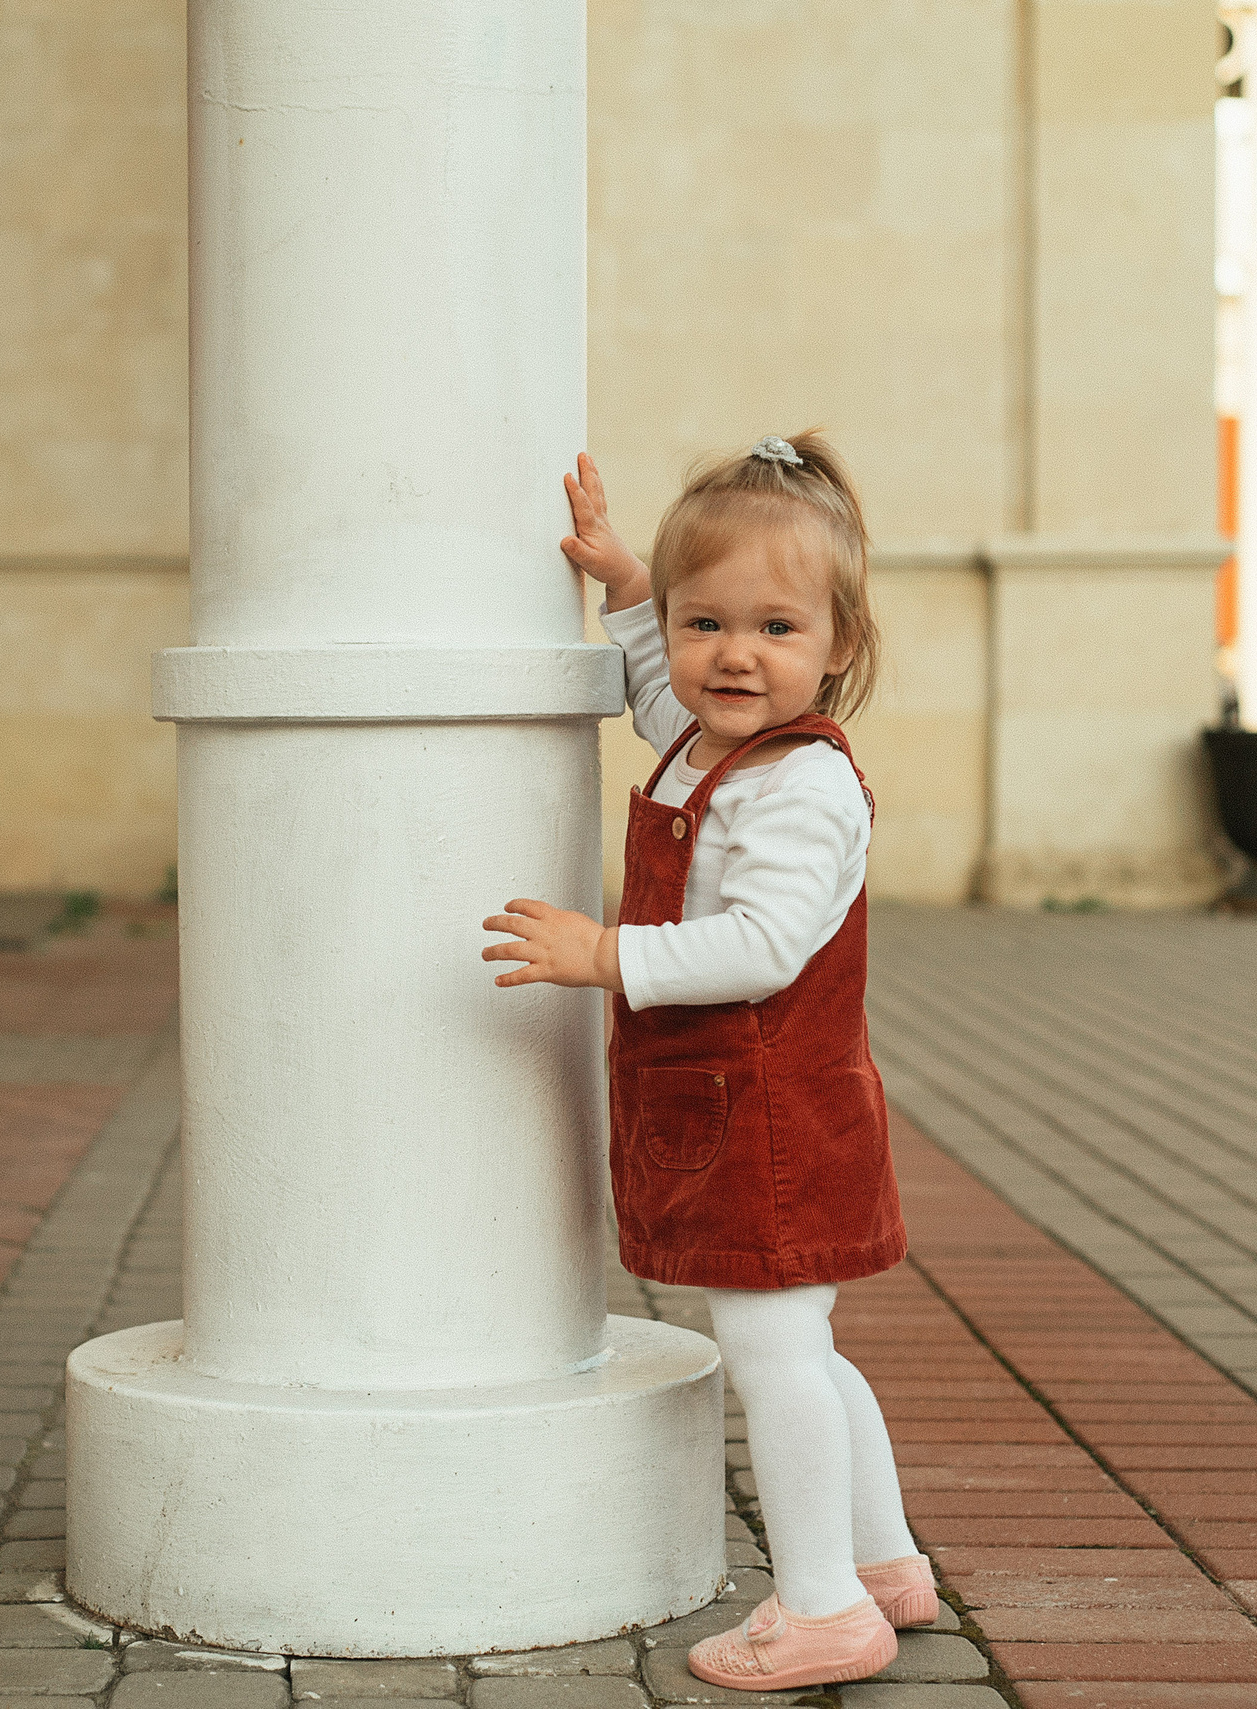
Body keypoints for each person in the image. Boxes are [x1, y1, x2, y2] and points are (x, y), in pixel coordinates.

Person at [482, 434, 934, 1691]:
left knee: (777, 1352)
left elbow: (765, 942)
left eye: (774, 626)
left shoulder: (800, 786)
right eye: (703, 621)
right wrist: (628, 582)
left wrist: (602, 953)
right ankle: (885, 1560)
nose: (732, 654)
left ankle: (823, 1605)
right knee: (809, 1344)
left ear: (838, 645)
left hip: (774, 1114)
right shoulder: (714, 734)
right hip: (736, 1104)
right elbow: (655, 693)